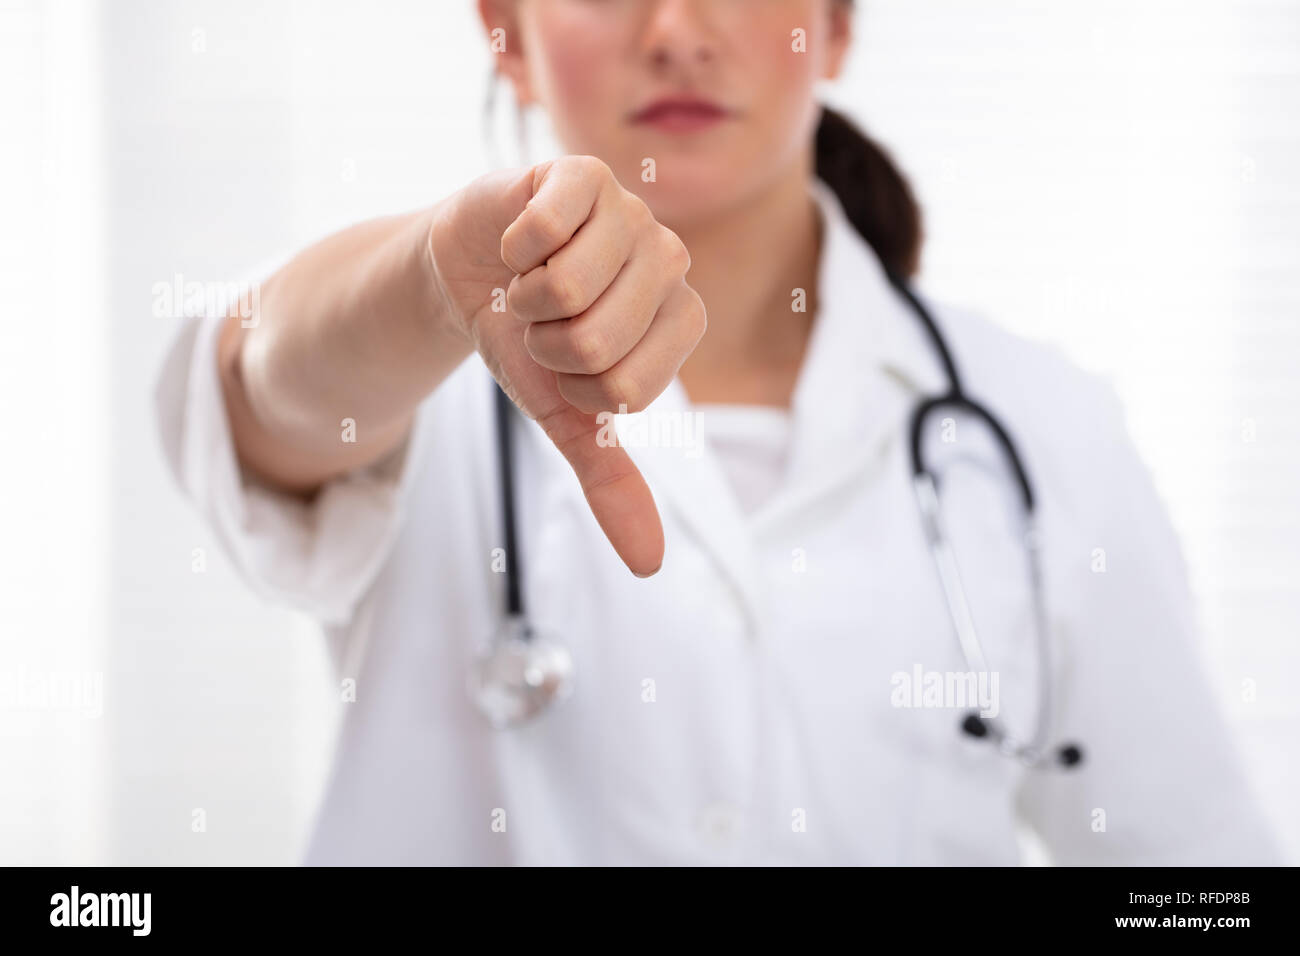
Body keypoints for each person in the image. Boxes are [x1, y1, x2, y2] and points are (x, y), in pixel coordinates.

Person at [154, 0, 1279, 865]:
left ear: (836, 26)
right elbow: (260, 380)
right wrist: (432, 287)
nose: (677, 31)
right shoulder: (409, 370)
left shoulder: (1045, 427)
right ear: (505, 31)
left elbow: (1197, 877)